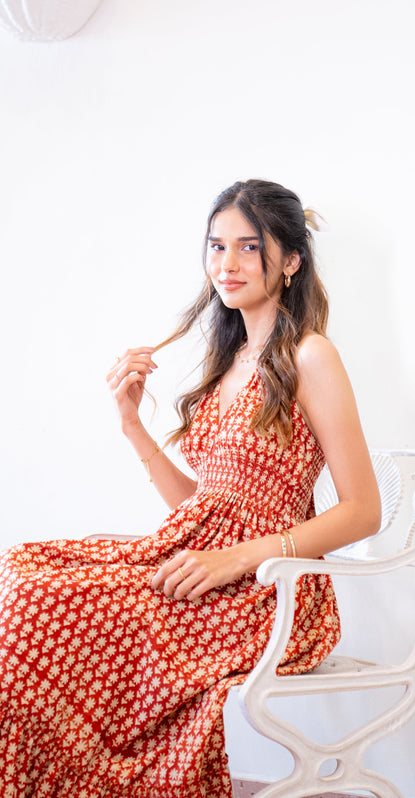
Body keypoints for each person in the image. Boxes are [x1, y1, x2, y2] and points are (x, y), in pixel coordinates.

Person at [0, 179, 381, 797]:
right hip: (200, 565)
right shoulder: (229, 362)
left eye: (248, 247)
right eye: (216, 246)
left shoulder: (310, 356)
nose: (227, 264)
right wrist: (132, 425)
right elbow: (202, 507)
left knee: (39, 606)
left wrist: (236, 558)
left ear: (290, 260)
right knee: (21, 572)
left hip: (267, 593)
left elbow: (363, 511)